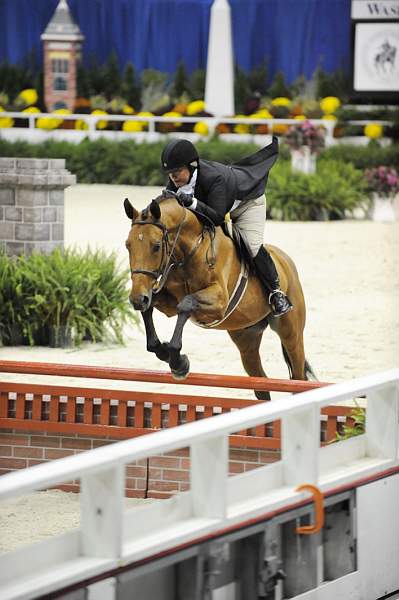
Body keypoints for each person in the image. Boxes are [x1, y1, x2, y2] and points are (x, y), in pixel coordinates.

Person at [160, 137, 293, 317]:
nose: (173, 177)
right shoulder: (177, 180)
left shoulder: (215, 178)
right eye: (170, 173)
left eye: (177, 172)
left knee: (251, 246)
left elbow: (216, 217)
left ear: (192, 167)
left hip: (247, 204)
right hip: (220, 204)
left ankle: (276, 293)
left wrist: (192, 202)